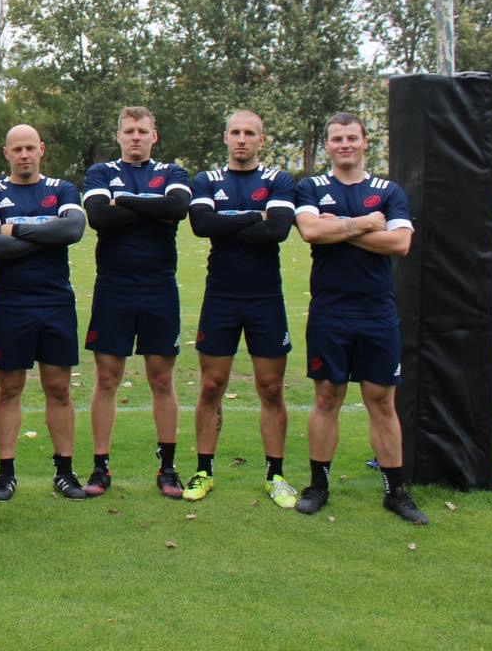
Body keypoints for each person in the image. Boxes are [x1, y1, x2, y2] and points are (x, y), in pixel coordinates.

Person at [293, 112, 426, 524]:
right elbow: (311, 232)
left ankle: (395, 491)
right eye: (337, 138)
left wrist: (341, 228)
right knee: (327, 396)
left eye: (352, 137)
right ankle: (318, 486)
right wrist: (366, 224)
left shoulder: (388, 191)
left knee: (381, 400)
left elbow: (400, 243)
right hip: (330, 311)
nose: (345, 144)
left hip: (377, 312)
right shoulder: (311, 187)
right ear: (328, 145)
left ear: (365, 142)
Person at [184, 110, 298, 507]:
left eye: (250, 133)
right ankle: (203, 470)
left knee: (270, 387)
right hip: (221, 297)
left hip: (266, 298)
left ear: (261, 140)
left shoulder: (278, 180)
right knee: (211, 385)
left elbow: (278, 230)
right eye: (235, 132)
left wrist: (227, 220)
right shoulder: (207, 180)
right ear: (226, 137)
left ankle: (275, 475)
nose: (242, 139)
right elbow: (202, 225)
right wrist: (255, 216)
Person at [82, 106, 190, 498]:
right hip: (114, 287)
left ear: (153, 136)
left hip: (159, 287)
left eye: (142, 131)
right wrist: (152, 207)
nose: (136, 137)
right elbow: (98, 217)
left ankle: (167, 467)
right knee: (107, 377)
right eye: (129, 131)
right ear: (119, 136)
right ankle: (100, 466)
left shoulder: (173, 172)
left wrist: (123, 202)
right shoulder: (101, 173)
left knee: (161, 378)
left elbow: (177, 208)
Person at [0, 124, 87, 501]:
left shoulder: (62, 189)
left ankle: (65, 471)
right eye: (17, 149)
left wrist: (14, 230)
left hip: (56, 301)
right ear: (6, 153)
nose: (24, 154)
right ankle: (6, 473)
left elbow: (72, 231)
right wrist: (46, 234)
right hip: (11, 303)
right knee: (9, 388)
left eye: (30, 148)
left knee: (58, 388)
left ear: (41, 149)